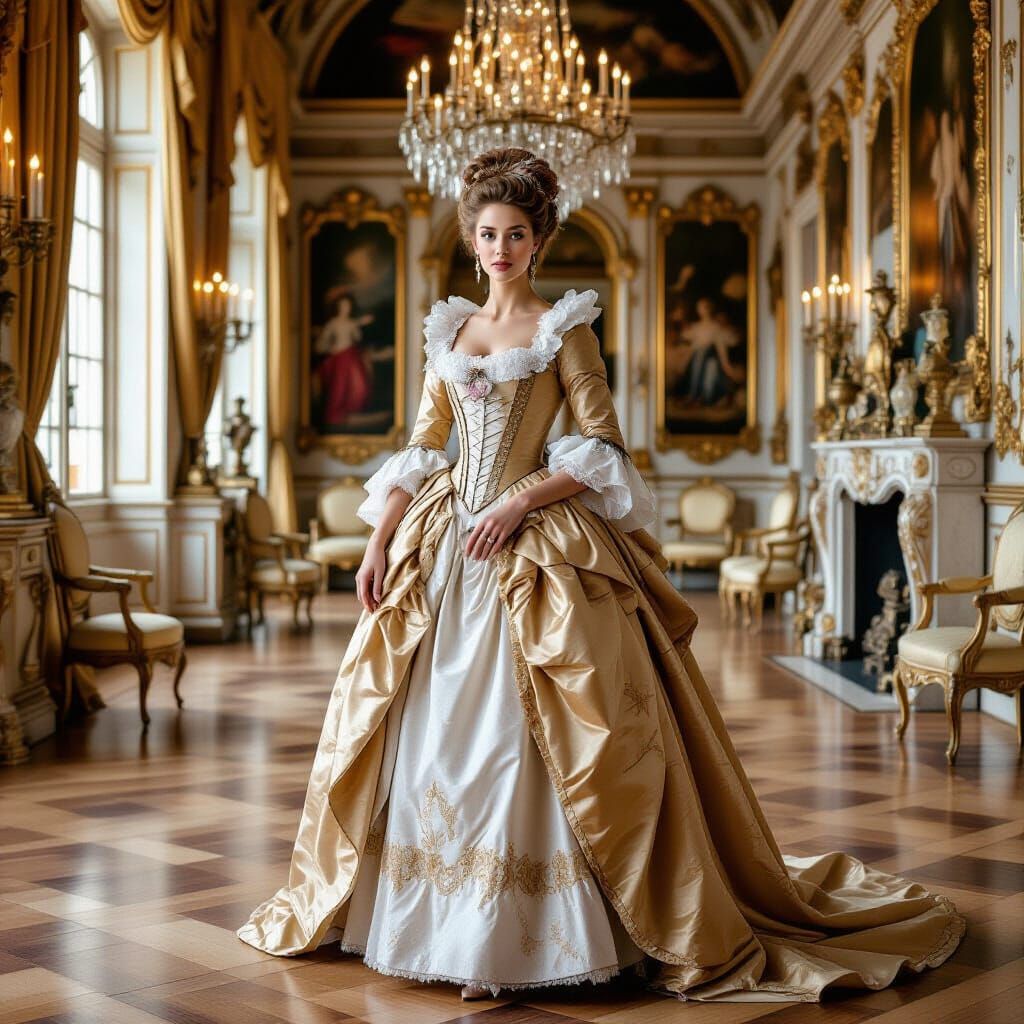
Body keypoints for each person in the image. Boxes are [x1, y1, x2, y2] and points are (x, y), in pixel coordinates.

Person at [237, 147, 964, 1003]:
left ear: (538, 241)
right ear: (471, 241)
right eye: (488, 234)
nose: (501, 248)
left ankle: (522, 936)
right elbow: (424, 446)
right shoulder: (450, 332)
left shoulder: (564, 329)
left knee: (526, 733)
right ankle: (437, 919)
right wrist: (378, 542)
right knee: (429, 730)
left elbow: (602, 446)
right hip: (444, 549)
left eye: (516, 234)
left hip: (536, 543)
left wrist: (520, 501)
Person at [314, 291, 374, 426]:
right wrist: (330, 348)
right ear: (338, 307)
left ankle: (350, 412)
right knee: (339, 386)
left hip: (351, 356)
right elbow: (323, 343)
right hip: (339, 358)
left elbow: (357, 338)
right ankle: (335, 414)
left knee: (359, 385)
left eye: (348, 306)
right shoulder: (333, 323)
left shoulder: (351, 323)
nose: (346, 308)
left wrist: (358, 326)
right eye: (343, 306)